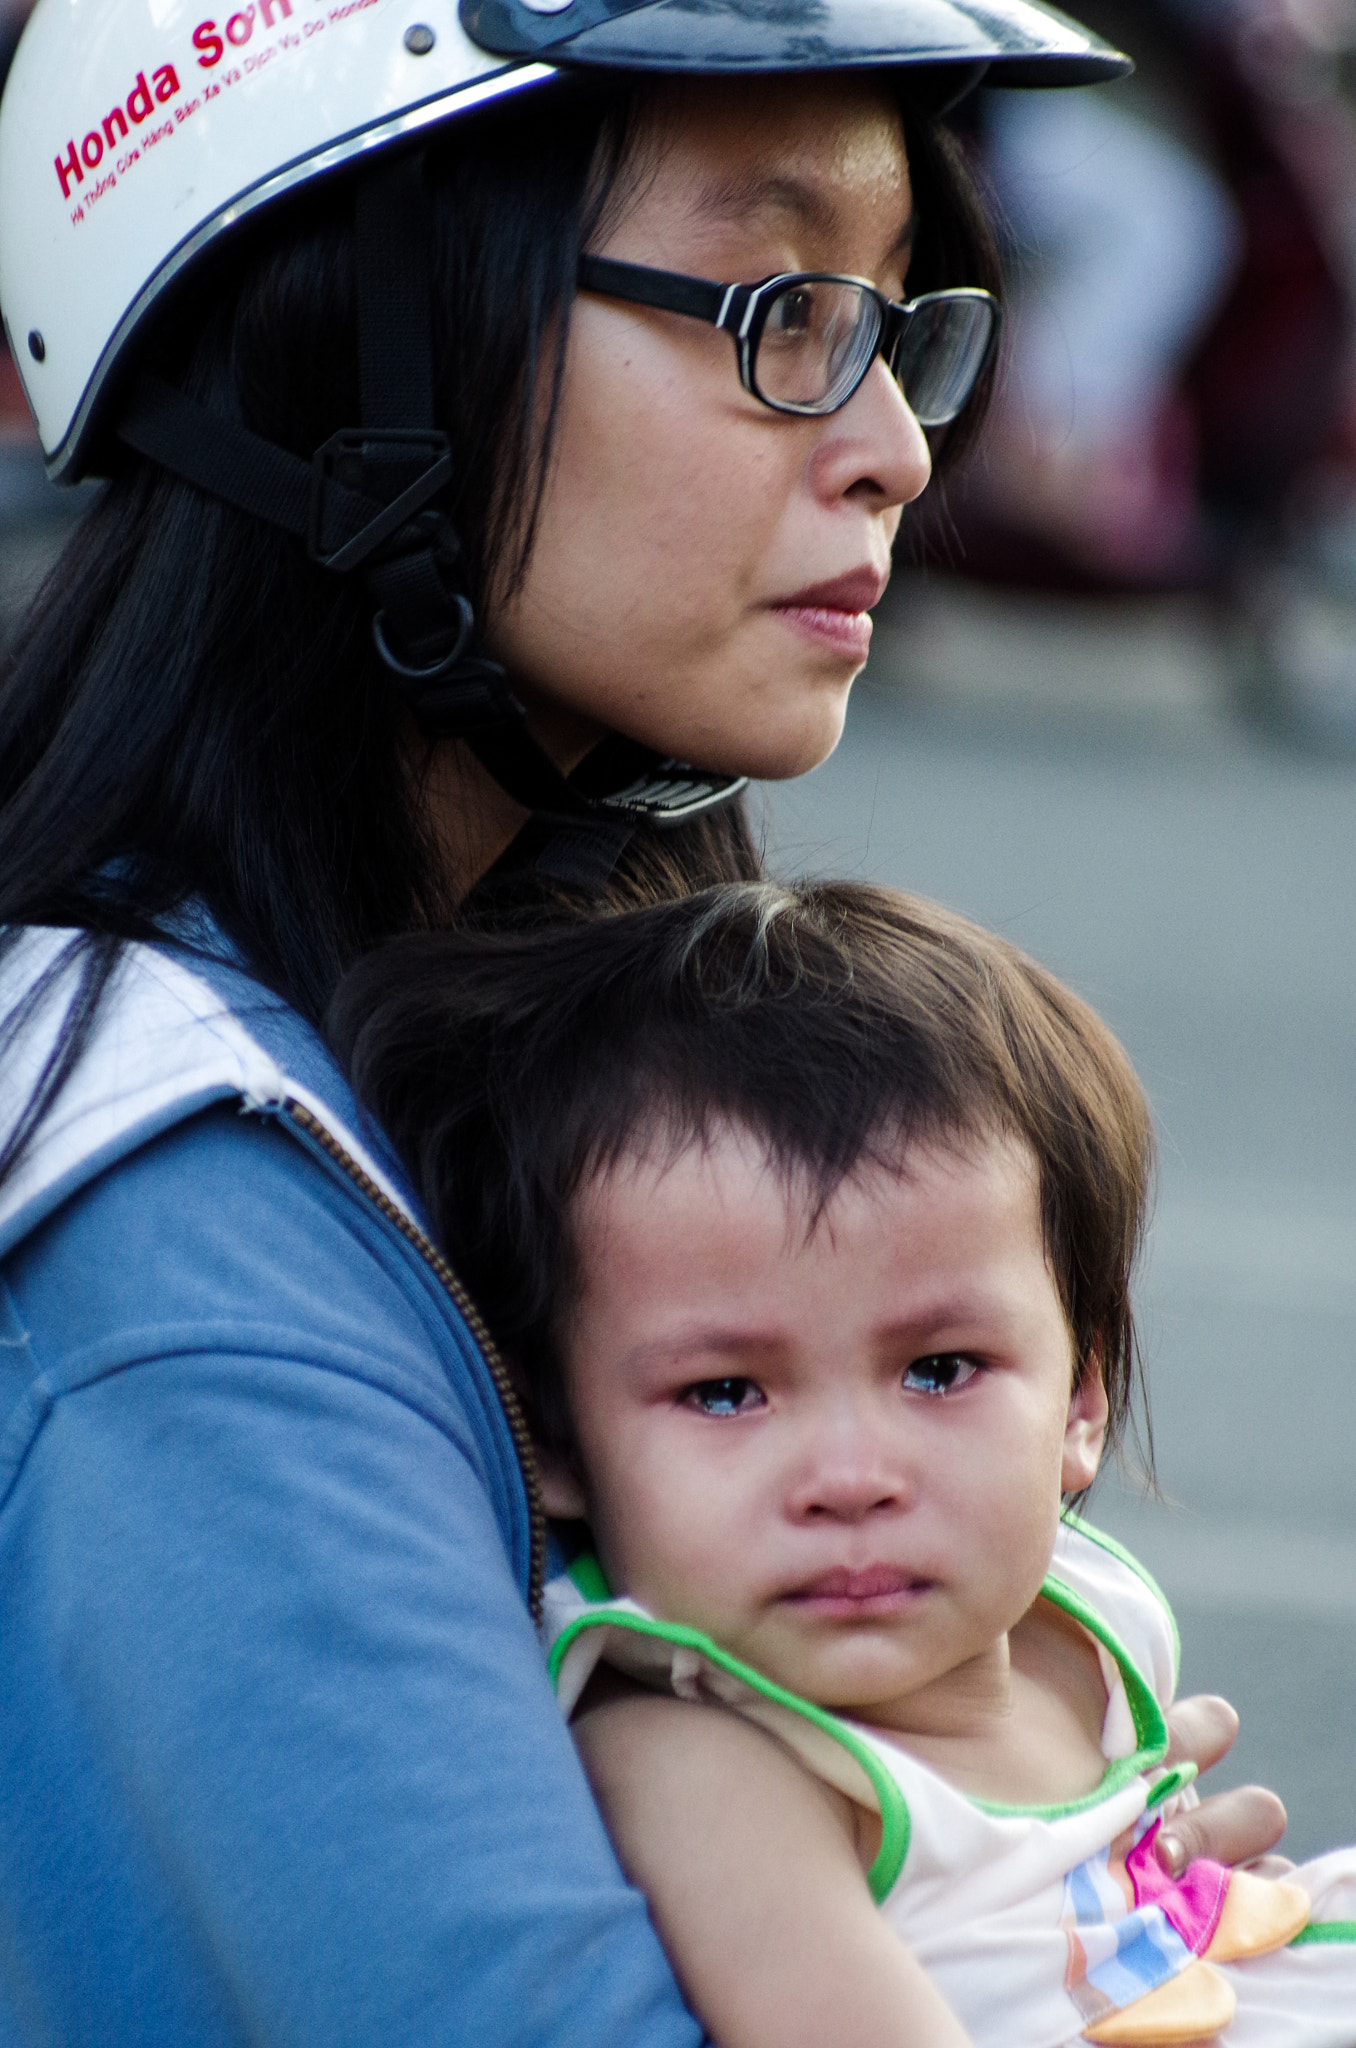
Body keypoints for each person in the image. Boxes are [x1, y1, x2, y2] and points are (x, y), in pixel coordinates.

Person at [0, 0, 1287, 2038]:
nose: (894, 444)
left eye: (901, 320)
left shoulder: (493, 1037)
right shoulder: (182, 1243)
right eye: (780, 308)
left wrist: (1014, 1879)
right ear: (358, 350)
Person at [331, 881, 1356, 2048]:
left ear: (1081, 1391)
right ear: (554, 1436)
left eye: (938, 1369)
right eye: (725, 1390)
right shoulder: (707, 1756)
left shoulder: (1088, 1612)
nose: (853, 1474)